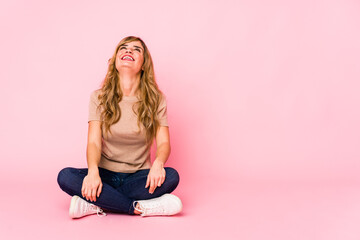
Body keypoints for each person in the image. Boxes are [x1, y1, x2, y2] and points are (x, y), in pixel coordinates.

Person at [57, 36, 182, 218]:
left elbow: (163, 143)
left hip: (139, 176)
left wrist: (158, 163)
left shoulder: (156, 100)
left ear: (144, 64)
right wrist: (92, 172)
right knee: (65, 176)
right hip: (104, 175)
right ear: (115, 60)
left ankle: (97, 203)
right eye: (123, 48)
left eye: (136, 49)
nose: (128, 51)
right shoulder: (98, 97)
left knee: (171, 176)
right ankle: (138, 208)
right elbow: (93, 142)